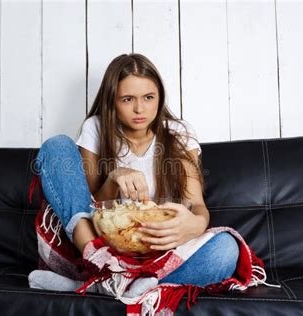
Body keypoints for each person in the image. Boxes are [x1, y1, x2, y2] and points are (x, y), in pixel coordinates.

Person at [30, 53, 239, 292]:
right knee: (56, 146)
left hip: (157, 254)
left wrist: (196, 224)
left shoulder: (178, 132)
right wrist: (113, 177)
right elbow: (86, 208)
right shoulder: (96, 128)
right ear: (112, 101)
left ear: (159, 98)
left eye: (148, 97)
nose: (140, 109)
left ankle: (104, 286)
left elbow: (197, 205)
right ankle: (107, 272)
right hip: (97, 246)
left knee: (226, 249)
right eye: (127, 99)